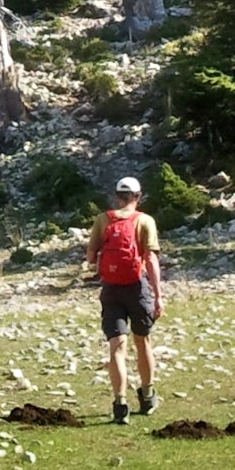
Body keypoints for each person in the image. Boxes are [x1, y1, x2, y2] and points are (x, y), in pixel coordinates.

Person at [85, 175, 162, 424]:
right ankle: (148, 396)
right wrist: (158, 295)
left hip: (111, 289)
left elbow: (89, 257)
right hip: (137, 287)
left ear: (117, 197)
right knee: (143, 342)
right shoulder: (145, 221)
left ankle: (120, 404)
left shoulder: (103, 219)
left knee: (117, 347)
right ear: (138, 197)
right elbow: (150, 259)